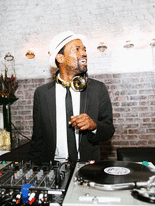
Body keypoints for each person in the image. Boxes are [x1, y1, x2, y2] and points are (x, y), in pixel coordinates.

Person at [28, 31, 115, 163]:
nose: (84, 53)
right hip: (53, 167)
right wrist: (34, 171)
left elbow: (109, 130)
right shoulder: (42, 93)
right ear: (60, 58)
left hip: (87, 167)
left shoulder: (98, 89)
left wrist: (94, 126)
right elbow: (37, 139)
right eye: (77, 49)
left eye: (84, 49)